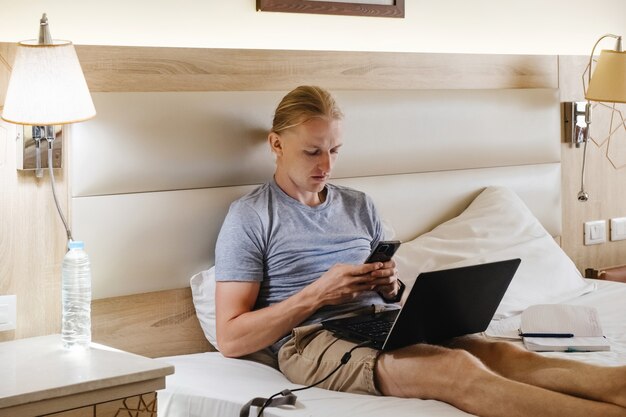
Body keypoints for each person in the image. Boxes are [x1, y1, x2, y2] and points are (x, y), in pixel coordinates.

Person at [215, 85, 626, 417]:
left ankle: (617, 385)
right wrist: (318, 294)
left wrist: (390, 287)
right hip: (313, 340)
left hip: (385, 321)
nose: (326, 164)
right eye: (312, 151)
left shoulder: (359, 205)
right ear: (276, 144)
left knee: (501, 352)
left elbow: (390, 293)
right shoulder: (251, 217)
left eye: (334, 150)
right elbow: (231, 337)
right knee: (455, 369)